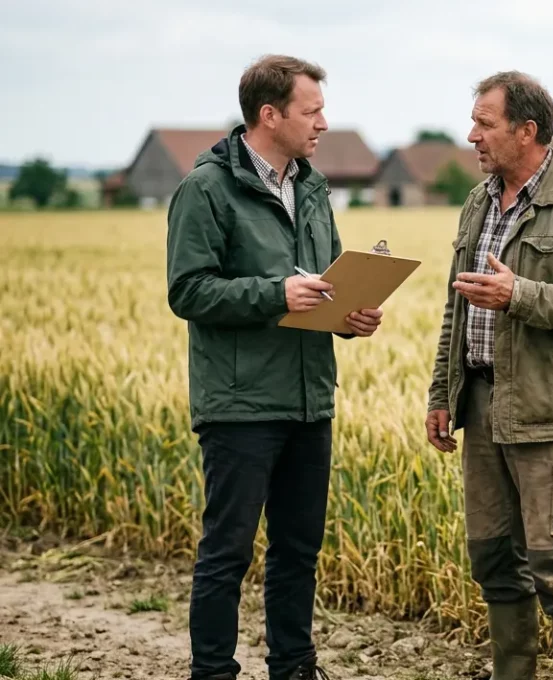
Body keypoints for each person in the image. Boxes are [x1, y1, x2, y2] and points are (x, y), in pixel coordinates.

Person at [165, 54, 384, 680]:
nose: (322, 122)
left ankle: (294, 669)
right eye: (311, 111)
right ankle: (213, 673)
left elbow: (330, 279)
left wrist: (350, 315)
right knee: (227, 553)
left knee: (298, 552)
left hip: (310, 397)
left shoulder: (311, 188)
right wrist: (274, 294)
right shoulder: (206, 188)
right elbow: (188, 291)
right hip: (239, 404)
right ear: (270, 114)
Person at [425, 71, 553, 680]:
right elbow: (455, 309)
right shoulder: (479, 201)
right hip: (482, 407)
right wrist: (443, 393)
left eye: (485, 125)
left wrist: (520, 295)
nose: (471, 137)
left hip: (550, 414)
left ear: (527, 130)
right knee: (492, 560)